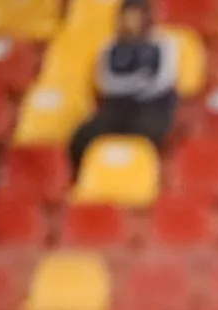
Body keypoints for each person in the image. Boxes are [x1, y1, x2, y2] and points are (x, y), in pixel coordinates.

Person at [68, 0, 178, 177]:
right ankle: (83, 179)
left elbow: (161, 81)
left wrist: (132, 87)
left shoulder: (162, 44)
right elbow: (106, 83)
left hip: (152, 107)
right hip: (117, 108)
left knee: (145, 133)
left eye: (136, 17)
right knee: (83, 135)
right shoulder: (110, 46)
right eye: (127, 17)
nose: (131, 22)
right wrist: (136, 83)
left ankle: (141, 179)